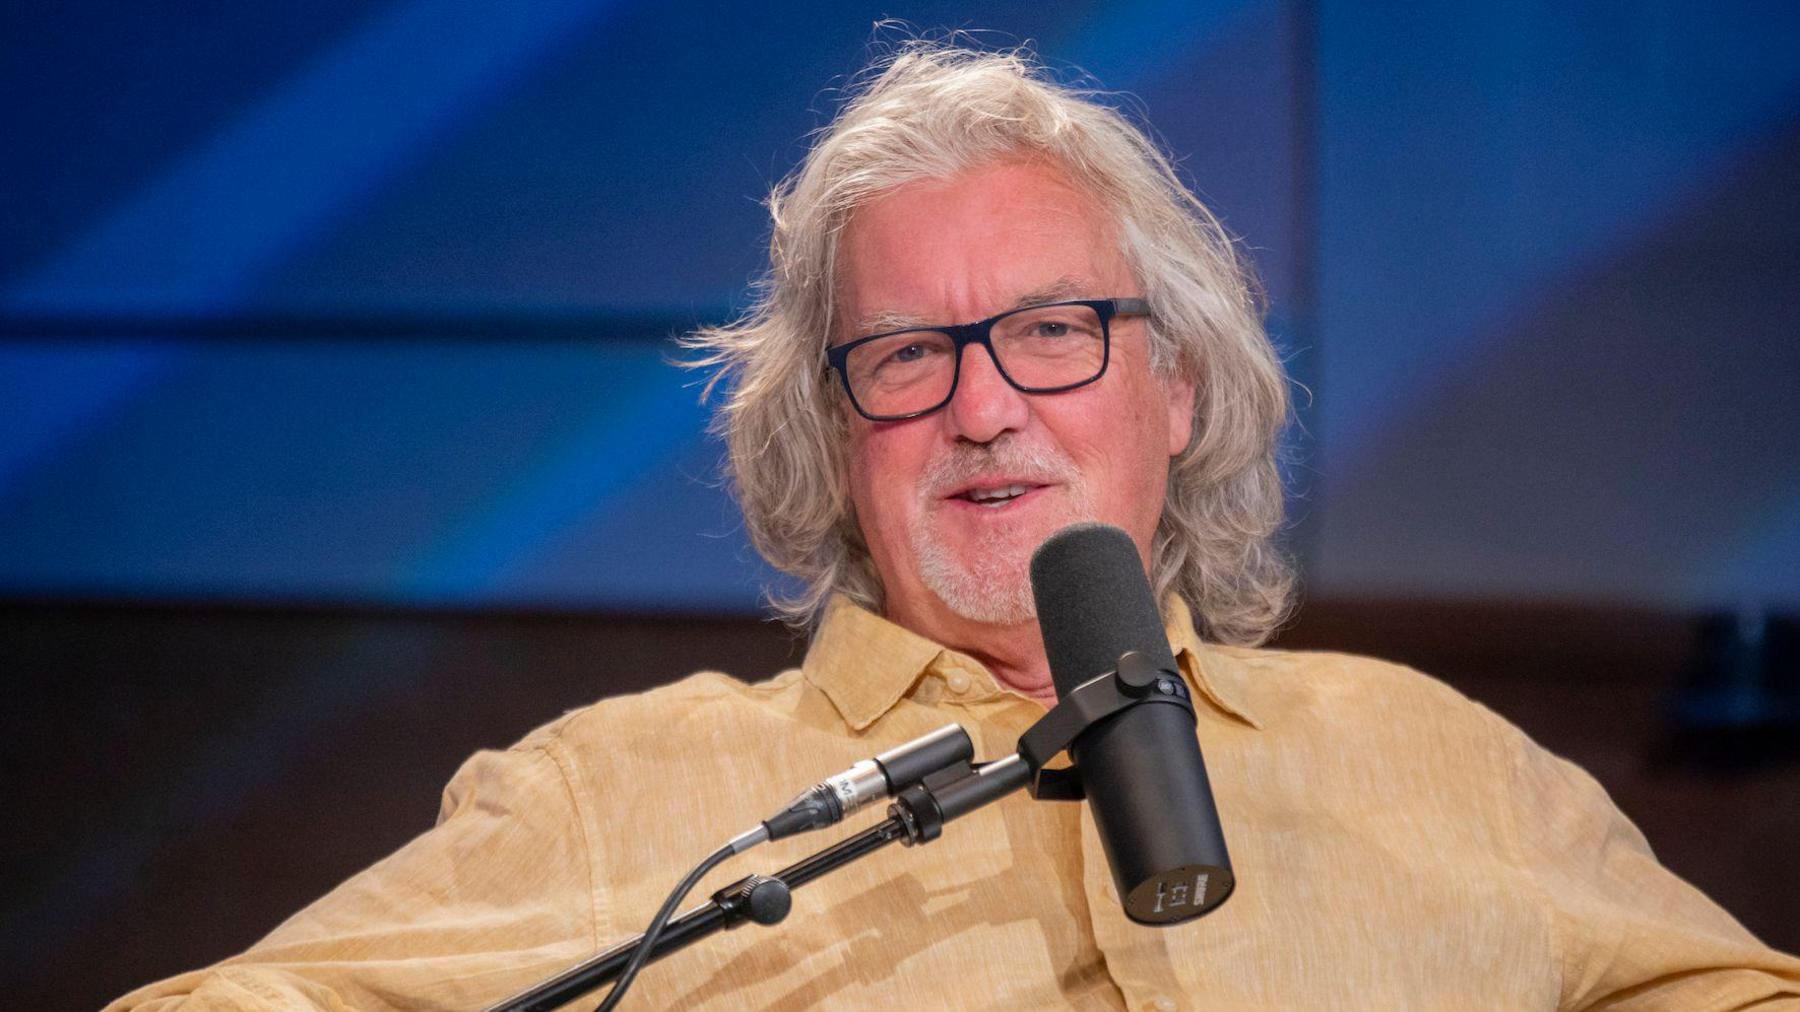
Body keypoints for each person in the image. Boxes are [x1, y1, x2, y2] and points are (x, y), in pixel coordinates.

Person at [111, 42, 1798, 1011]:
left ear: (1181, 392)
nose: (985, 406)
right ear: (836, 439)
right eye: (908, 354)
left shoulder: (1447, 763)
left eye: (1056, 332)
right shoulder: (616, 796)